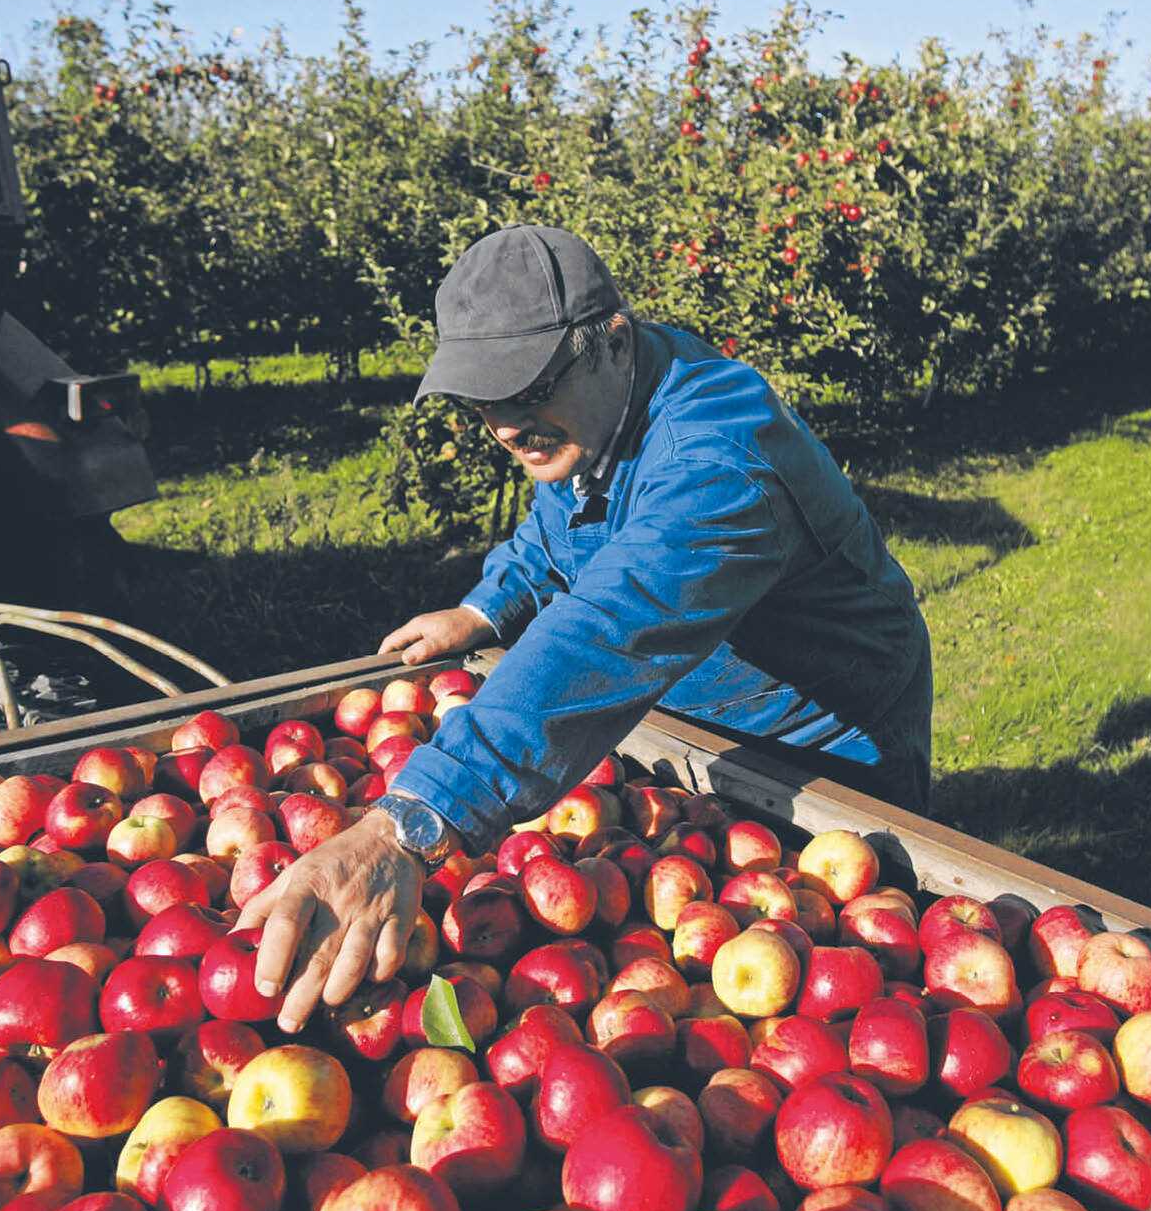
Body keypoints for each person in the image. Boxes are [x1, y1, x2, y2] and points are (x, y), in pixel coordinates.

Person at [236, 224, 932, 1033]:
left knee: (857, 969)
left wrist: (410, 821)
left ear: (609, 339)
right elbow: (563, 525)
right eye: (483, 399)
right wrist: (484, 607)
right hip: (686, 722)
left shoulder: (717, 464)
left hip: (818, 733)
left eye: (525, 390)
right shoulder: (595, 409)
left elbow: (606, 634)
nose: (502, 424)